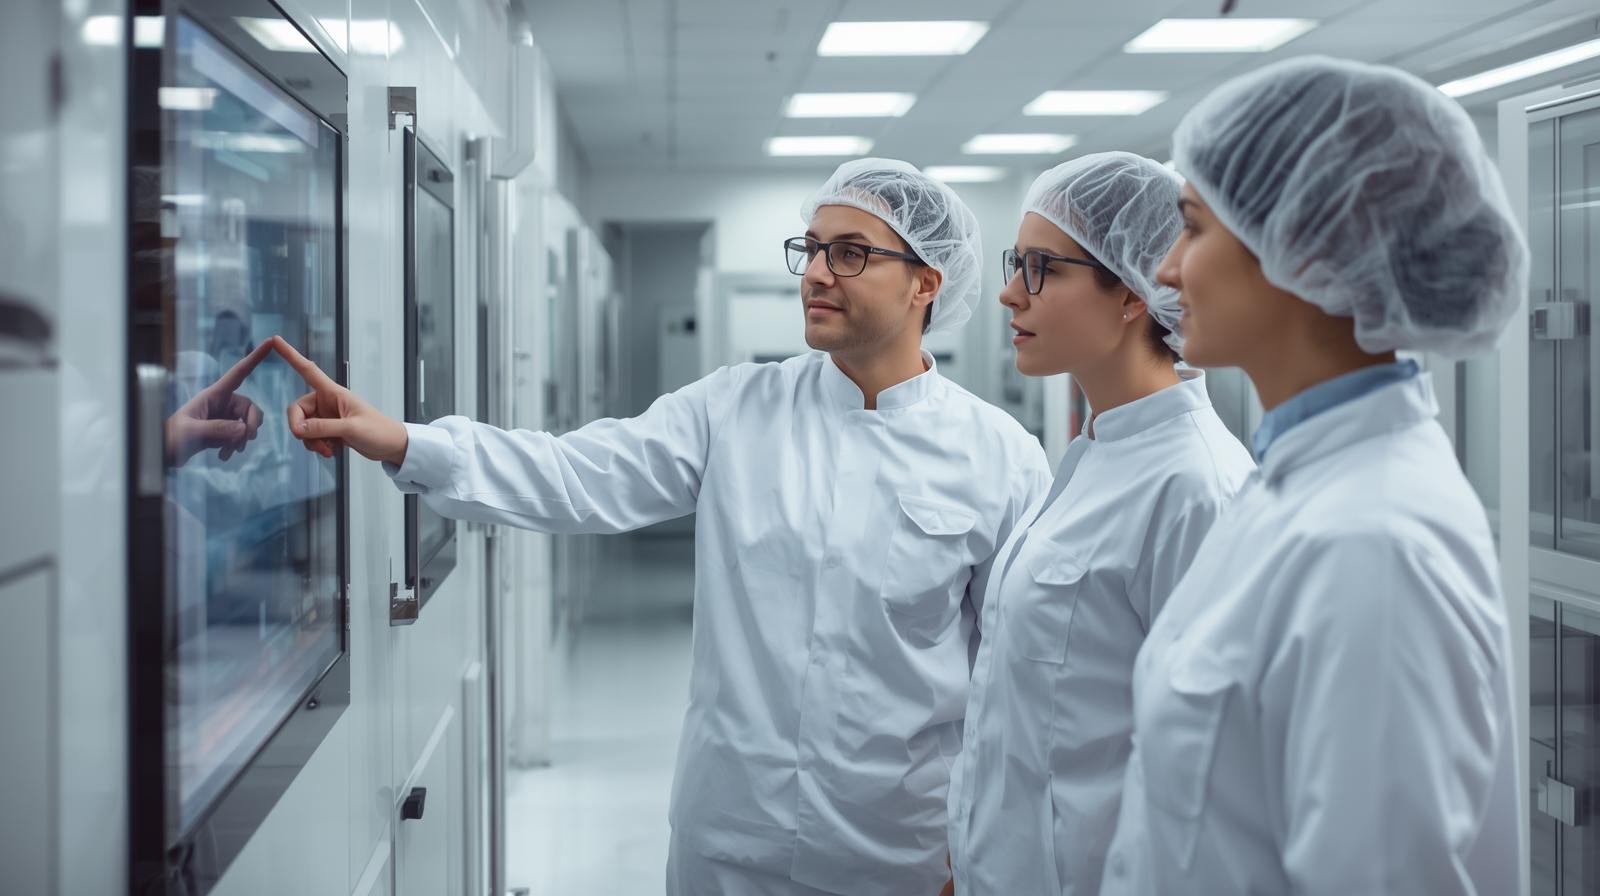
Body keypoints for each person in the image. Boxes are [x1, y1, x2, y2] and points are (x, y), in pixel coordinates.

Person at [272, 158, 1051, 896]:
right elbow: (575, 474)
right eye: (810, 249)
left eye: (849, 254)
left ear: (925, 282)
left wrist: (980, 847)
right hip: (733, 836)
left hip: (898, 849)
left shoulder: (1000, 459)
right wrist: (408, 441)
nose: (815, 273)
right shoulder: (735, 408)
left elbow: (1013, 684)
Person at [1100, 56, 1527, 895]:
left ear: (1306, 242)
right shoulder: (1302, 484)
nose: (1165, 270)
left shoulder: (1372, 545)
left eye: (1192, 226)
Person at [944, 153, 1253, 896]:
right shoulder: (1092, 455)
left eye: (1043, 268)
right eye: (1017, 264)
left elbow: (1216, 774)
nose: (1010, 294)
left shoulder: (1196, 487)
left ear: (1134, 292)